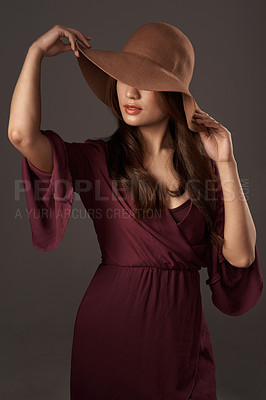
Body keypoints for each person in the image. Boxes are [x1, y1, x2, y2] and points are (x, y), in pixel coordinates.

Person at [8, 22, 263, 400]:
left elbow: (240, 256)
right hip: (108, 333)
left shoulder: (207, 173)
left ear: (174, 94)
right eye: (123, 77)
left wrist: (227, 162)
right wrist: (35, 54)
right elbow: (21, 136)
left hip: (177, 342)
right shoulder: (98, 159)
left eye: (145, 79)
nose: (130, 90)